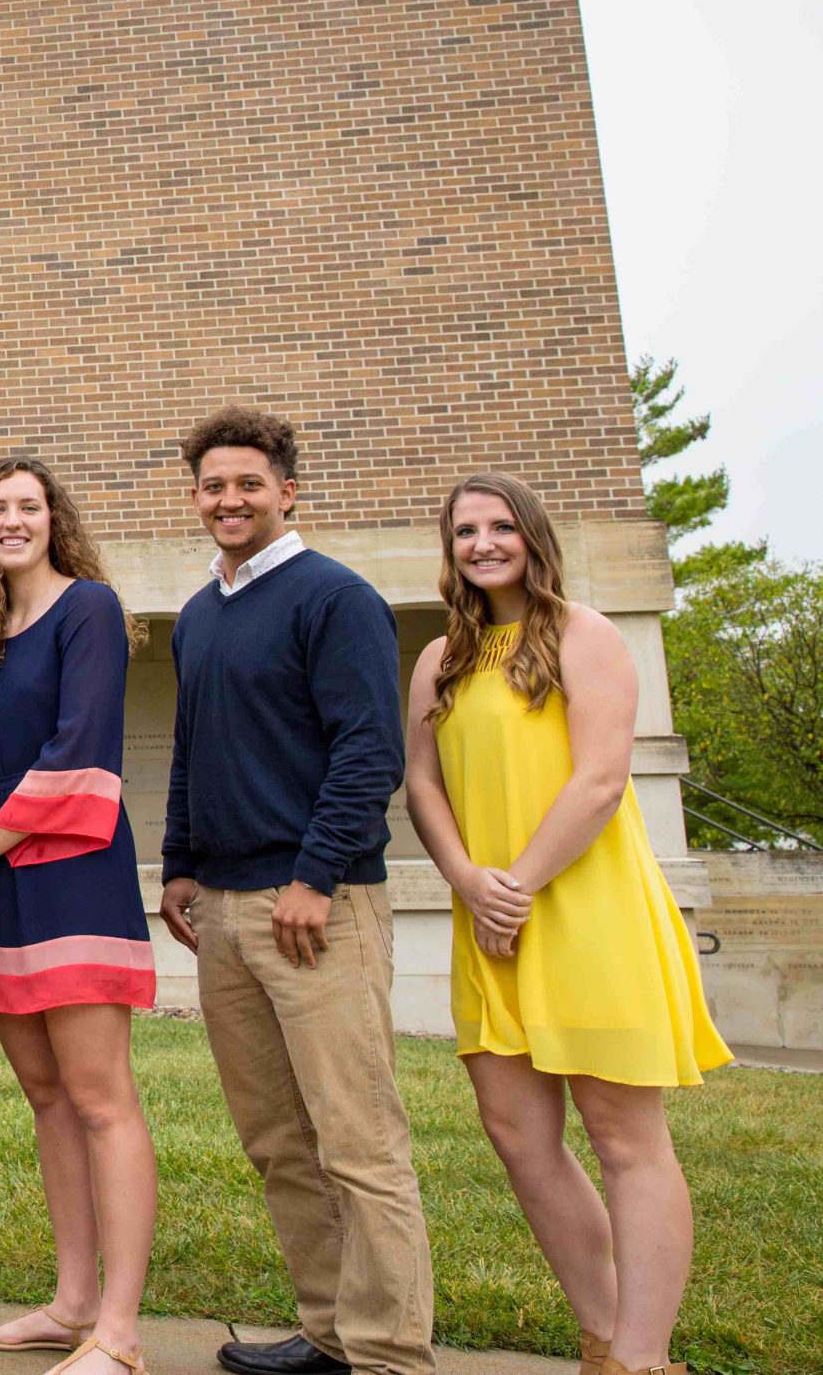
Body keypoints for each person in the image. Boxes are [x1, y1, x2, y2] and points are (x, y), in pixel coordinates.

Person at [402, 473, 727, 1375]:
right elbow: (423, 784)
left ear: (531, 534)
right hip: (489, 913)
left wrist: (520, 886)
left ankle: (644, 1357)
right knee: (516, 1133)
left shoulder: (585, 634)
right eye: (465, 529)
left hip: (585, 910)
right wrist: (470, 881)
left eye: (500, 524)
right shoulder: (440, 661)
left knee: (626, 1137)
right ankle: (602, 1335)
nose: (483, 542)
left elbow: (599, 779)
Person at [156, 407, 432, 1375]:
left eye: (247, 484)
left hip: (319, 909)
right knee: (278, 1142)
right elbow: (191, 749)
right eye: (211, 486)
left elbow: (369, 753)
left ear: (287, 490)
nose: (228, 499)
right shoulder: (199, 614)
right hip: (226, 916)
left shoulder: (334, 598)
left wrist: (315, 875)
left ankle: (390, 1355)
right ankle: (327, 1333)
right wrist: (178, 862)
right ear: (194, 496)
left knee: (359, 1143)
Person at [0, 457, 159, 1375]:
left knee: (102, 1096)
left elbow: (82, 749)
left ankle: (122, 1331)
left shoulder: (89, 610)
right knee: (46, 1095)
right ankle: (71, 1304)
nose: (12, 520)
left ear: (54, 517)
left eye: (28, 506)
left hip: (71, 871)